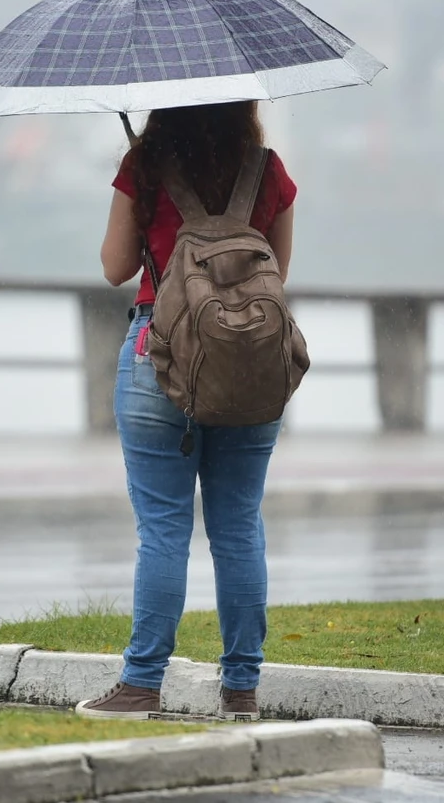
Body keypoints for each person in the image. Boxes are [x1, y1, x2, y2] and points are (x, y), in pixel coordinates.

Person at [76, 101, 296, 722]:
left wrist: (149, 198)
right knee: (239, 527)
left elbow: (116, 268)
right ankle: (242, 692)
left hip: (160, 355)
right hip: (248, 362)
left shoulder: (145, 166)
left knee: (164, 530)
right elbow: (277, 272)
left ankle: (142, 685)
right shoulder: (267, 171)